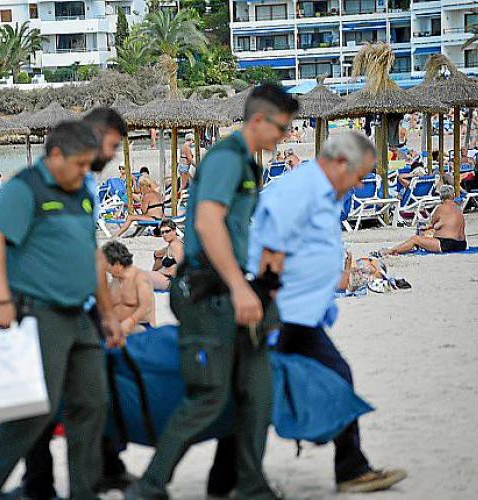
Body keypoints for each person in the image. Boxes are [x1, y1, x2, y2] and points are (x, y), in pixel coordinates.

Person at [125, 83, 299, 500]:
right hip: (207, 291)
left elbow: (241, 231)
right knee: (209, 397)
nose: (286, 135)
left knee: (257, 391)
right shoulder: (226, 159)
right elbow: (207, 223)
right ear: (259, 120)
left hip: (234, 287)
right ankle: (149, 486)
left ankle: (246, 483)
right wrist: (240, 287)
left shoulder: (247, 164)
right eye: (282, 127)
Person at [0, 121, 124, 500]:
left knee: (92, 404)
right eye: (80, 164)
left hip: (81, 316)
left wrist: (109, 314)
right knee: (32, 414)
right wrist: (1, 298)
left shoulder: (80, 194)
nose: (85, 172)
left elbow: (92, 255)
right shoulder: (25, 188)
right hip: (40, 313)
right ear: (56, 155)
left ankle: (84, 492)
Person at [247, 132, 407, 494]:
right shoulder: (300, 190)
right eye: (361, 176)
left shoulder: (325, 193)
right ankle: (234, 476)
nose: (361, 184)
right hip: (277, 311)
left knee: (336, 374)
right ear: (340, 163)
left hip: (301, 314)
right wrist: (268, 307)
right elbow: (270, 248)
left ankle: (351, 469)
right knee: (253, 393)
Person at [17, 107, 131, 500]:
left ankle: (101, 470)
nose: (112, 155)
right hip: (47, 303)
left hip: (80, 303)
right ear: (95, 136)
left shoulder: (85, 183)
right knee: (45, 400)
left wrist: (105, 310)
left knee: (94, 391)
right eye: (111, 146)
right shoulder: (50, 183)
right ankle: (39, 481)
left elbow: (90, 251)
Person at [384, 185, 467, 255]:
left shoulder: (440, 208)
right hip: (462, 244)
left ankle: (391, 251)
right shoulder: (458, 208)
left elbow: (432, 223)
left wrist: (427, 228)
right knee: (429, 233)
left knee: (415, 239)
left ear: (441, 196)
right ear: (453, 196)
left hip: (446, 244)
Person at [103, 240, 155, 333]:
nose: (106, 269)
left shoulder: (140, 278)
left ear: (117, 264)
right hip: (117, 326)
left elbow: (146, 307)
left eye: (107, 266)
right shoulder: (115, 281)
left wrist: (131, 321)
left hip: (139, 326)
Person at [149, 219, 184, 291]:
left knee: (136, 278)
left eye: (167, 231)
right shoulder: (172, 244)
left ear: (174, 231)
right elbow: (159, 255)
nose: (165, 234)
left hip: (169, 281)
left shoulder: (175, 245)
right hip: (164, 278)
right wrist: (156, 254)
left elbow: (183, 267)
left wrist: (167, 272)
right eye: (162, 232)